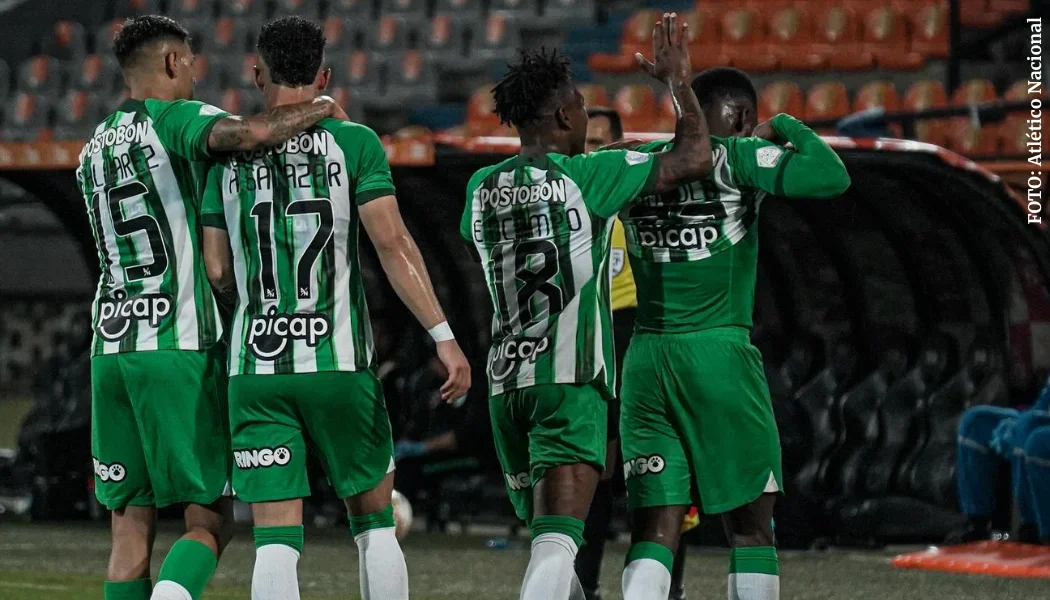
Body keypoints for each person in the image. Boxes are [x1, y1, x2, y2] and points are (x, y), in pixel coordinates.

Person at [77, 14, 349, 600]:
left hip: (110, 349)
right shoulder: (177, 119)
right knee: (209, 519)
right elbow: (251, 134)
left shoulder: (92, 147)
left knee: (129, 528)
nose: (197, 75)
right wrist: (323, 107)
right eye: (192, 62)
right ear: (173, 62)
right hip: (177, 345)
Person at [200, 17, 471, 600]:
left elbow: (217, 267)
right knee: (375, 524)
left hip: (257, 367)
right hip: (338, 364)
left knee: (275, 540)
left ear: (257, 75)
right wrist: (443, 336)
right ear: (324, 76)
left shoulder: (221, 159)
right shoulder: (355, 143)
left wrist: (250, 311)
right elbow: (394, 245)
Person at [460, 13, 714, 599]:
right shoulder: (591, 176)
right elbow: (695, 155)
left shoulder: (478, 188)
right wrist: (679, 83)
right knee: (557, 541)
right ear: (566, 117)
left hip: (506, 385)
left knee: (555, 549)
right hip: (569, 380)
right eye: (579, 103)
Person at [618, 65, 851, 600]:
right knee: (750, 526)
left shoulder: (640, 165)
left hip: (647, 361)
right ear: (743, 116)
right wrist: (785, 124)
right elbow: (830, 174)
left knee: (656, 529)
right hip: (716, 355)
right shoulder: (739, 158)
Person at [576, 106, 693, 600]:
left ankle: (666, 587)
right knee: (589, 474)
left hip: (637, 335)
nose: (593, 154)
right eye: (585, 144)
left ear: (622, 145)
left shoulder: (642, 196)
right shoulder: (570, 199)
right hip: (589, 339)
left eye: (603, 143)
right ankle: (582, 586)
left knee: (657, 469)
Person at [952, 375, 1050, 545]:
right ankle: (977, 524)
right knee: (975, 421)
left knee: (1031, 437)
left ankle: (1034, 530)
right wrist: (1016, 424)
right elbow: (1043, 405)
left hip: (1040, 427)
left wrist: (1021, 425)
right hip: (1041, 418)